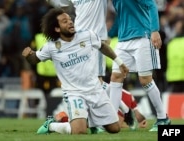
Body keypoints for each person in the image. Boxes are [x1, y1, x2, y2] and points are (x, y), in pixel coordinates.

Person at [22, 8, 129, 135]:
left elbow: (102, 46)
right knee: (79, 132)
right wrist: (28, 55)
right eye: (64, 21)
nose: (70, 22)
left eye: (70, 20)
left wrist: (119, 62)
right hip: (74, 93)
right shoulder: (51, 47)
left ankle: (87, 122)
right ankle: (51, 126)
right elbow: (35, 59)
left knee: (115, 129)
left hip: (95, 90)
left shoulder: (87, 35)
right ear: (57, 28)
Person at [46, 0, 138, 130]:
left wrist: (109, 33)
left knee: (97, 82)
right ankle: (124, 110)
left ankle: (122, 112)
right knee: (90, 82)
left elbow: (118, 7)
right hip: (77, 41)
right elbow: (62, 6)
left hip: (96, 40)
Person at [108, 0, 171, 132]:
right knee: (115, 77)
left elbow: (151, 5)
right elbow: (122, 16)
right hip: (123, 40)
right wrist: (109, 34)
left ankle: (162, 118)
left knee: (145, 80)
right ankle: (111, 120)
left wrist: (154, 30)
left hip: (143, 36)